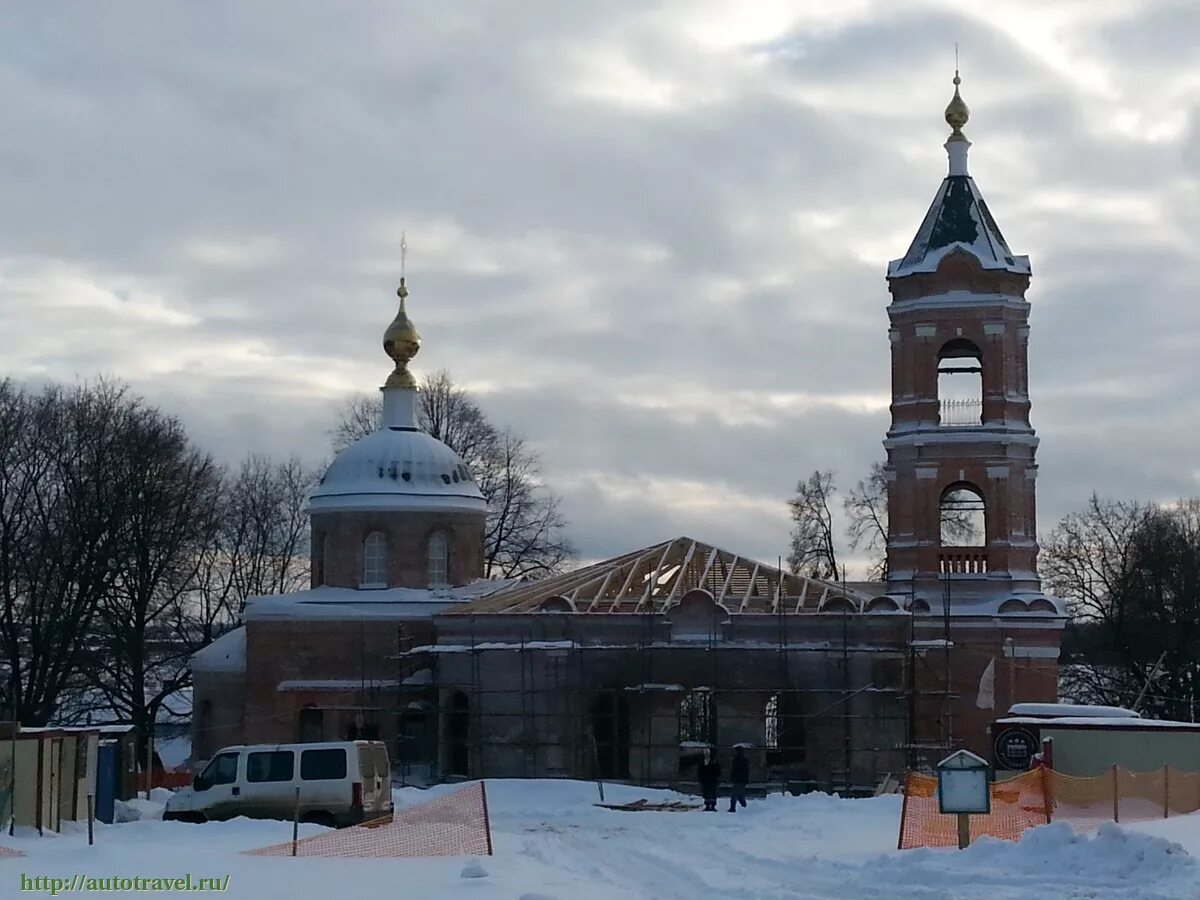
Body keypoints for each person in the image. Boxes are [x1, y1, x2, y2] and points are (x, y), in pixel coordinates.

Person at [728, 745, 749, 812]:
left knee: (735, 794)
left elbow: (736, 770)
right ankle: (743, 806)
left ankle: (733, 807)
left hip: (739, 779)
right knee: (739, 794)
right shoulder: (743, 760)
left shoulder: (739, 760)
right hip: (740, 780)